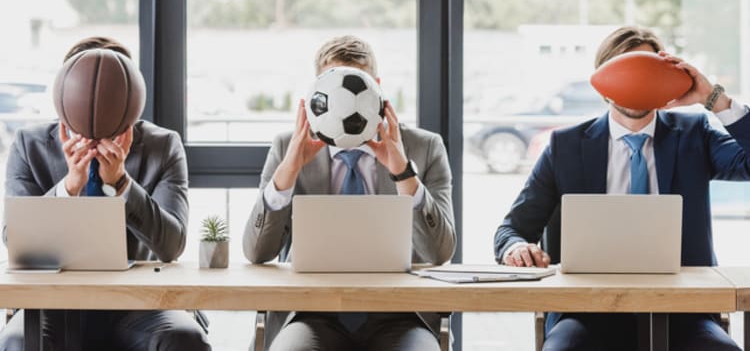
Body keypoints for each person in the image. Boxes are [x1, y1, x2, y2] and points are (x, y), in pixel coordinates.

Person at [494, 26, 750, 351]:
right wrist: (515, 248)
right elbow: (511, 229)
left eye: (645, 72)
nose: (635, 82)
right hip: (587, 312)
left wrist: (714, 99)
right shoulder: (566, 146)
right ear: (604, 83)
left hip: (684, 310)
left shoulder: (694, 133)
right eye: (624, 70)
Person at [243, 35, 456, 351]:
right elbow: (256, 252)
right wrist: (288, 172)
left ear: (378, 92)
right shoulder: (288, 147)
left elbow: (440, 253)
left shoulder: (423, 148)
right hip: (310, 314)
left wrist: (403, 173)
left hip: (401, 315)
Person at [0, 36, 211, 351]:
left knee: (184, 339)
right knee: (18, 342)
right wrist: (70, 186)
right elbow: (15, 241)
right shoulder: (30, 146)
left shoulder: (163, 146)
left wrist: (121, 183)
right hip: (53, 302)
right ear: (65, 93)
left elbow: (171, 245)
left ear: (129, 97)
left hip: (140, 302)